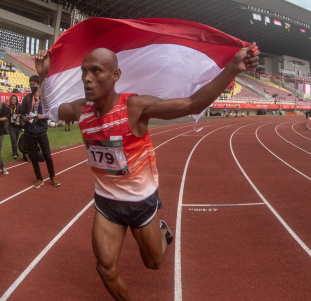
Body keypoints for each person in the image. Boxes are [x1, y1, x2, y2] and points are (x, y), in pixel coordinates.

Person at [35, 43, 259, 300]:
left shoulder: (135, 107)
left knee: (153, 263)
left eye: (96, 71)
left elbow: (192, 104)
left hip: (140, 202)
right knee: (106, 269)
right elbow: (50, 110)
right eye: (84, 72)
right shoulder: (80, 111)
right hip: (106, 203)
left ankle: (162, 230)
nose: (87, 78)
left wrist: (233, 68)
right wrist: (43, 76)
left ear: (115, 76)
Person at [21, 75, 60, 188]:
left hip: (42, 131)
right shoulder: (27, 99)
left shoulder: (44, 99)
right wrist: (25, 118)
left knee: (47, 155)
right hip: (30, 132)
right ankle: (39, 178)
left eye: (34, 84)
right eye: (31, 84)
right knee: (33, 157)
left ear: (39, 85)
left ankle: (52, 176)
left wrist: (42, 116)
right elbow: (22, 112)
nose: (32, 86)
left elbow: (49, 113)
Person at [7, 95, 22, 159]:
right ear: (10, 100)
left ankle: (14, 151)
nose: (13, 100)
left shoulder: (19, 106)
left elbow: (22, 114)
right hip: (11, 126)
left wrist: (17, 115)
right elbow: (6, 115)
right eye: (12, 99)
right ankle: (15, 154)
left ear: (16, 100)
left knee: (15, 139)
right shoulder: (8, 107)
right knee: (13, 139)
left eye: (14, 99)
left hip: (17, 125)